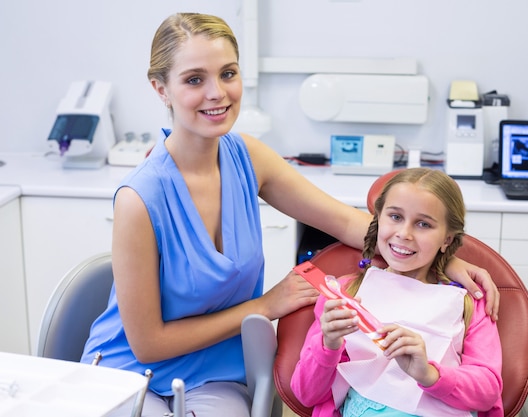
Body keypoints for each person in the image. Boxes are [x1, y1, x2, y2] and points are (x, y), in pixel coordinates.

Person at [79, 13, 500, 417]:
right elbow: (148, 344)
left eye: (228, 73)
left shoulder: (249, 158)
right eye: (194, 80)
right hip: (131, 370)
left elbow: (348, 223)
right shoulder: (140, 198)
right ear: (160, 89)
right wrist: (265, 306)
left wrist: (447, 259)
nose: (217, 93)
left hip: (217, 374)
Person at [291, 168, 504, 417]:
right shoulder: (344, 295)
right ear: (378, 219)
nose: (404, 234)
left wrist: (429, 374)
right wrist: (328, 344)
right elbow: (306, 394)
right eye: (395, 217)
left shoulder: (470, 302)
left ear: (447, 239)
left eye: (423, 224)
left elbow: (487, 392)